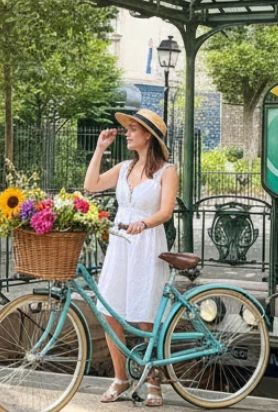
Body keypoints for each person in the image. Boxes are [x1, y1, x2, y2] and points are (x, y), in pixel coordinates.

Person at [84, 109, 178, 407]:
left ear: (148, 134)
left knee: (146, 312)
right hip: (121, 242)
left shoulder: (167, 170)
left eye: (133, 129)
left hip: (148, 242)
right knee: (109, 310)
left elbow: (166, 211)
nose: (126, 132)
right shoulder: (124, 167)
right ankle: (120, 377)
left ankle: (154, 382)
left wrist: (144, 223)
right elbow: (91, 185)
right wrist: (100, 149)